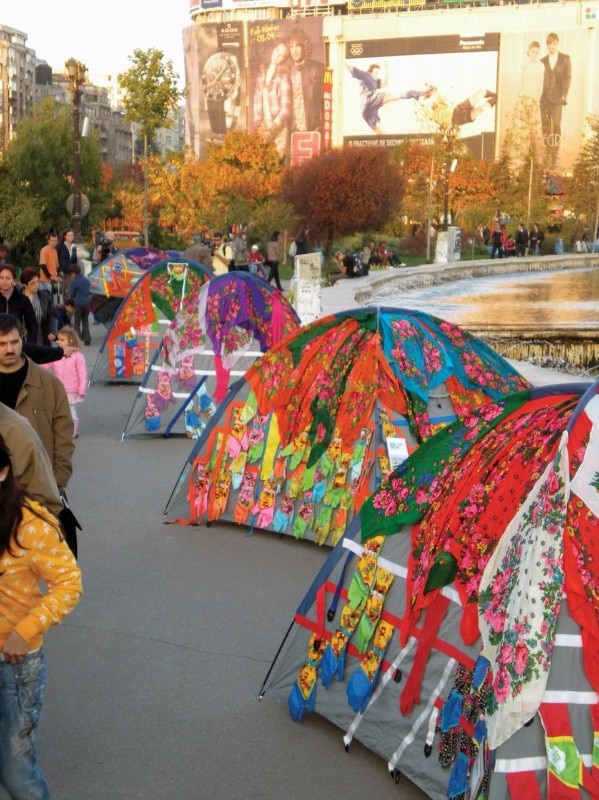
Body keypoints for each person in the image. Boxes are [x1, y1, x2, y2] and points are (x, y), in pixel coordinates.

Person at [0, 433, 82, 800]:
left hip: (13, 665)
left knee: (16, 771)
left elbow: (68, 584)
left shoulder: (32, 524)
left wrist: (26, 629)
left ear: (3, 472)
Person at [0, 314, 74, 490]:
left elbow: (63, 436)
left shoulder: (50, 385)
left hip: (37, 485)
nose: (9, 349)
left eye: (14, 342)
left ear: (22, 339)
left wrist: (59, 480)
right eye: (2, 344)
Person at [346, 62, 435, 134]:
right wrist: (341, 59)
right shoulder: (365, 75)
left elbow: (385, 84)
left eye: (378, 73)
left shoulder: (375, 82)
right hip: (369, 99)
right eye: (376, 73)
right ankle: (422, 93)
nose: (377, 75)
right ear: (370, 72)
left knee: (379, 132)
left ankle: (385, 150)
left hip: (366, 111)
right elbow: (351, 68)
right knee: (397, 95)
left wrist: (387, 69)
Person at [43, 326, 87, 439]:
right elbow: (47, 364)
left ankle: (73, 429)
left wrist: (82, 388)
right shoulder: (58, 355)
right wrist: (35, 365)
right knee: (59, 409)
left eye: (62, 340)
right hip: (58, 388)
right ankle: (61, 428)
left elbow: (82, 374)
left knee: (69, 409)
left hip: (71, 389)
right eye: (59, 340)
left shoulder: (78, 357)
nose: (59, 342)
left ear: (71, 341)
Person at [253, 41, 292, 159]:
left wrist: (273, 128)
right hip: (264, 126)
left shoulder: (284, 77)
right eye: (277, 51)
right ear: (272, 51)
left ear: (283, 60)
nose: (277, 55)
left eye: (282, 55)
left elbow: (286, 110)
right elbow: (256, 99)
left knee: (278, 168)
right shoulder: (261, 74)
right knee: (261, 166)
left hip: (278, 128)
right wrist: (257, 122)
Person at [540, 32, 572, 164]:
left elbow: (568, 77)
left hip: (557, 99)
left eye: (554, 43)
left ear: (557, 43)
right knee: (546, 126)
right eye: (549, 44)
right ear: (547, 45)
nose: (552, 46)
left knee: (557, 126)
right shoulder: (542, 61)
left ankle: (555, 154)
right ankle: (548, 153)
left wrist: (564, 94)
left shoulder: (565, 58)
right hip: (544, 100)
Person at [286, 28, 324, 134]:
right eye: (291, 47)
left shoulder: (317, 68)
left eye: (297, 45)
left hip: (313, 127)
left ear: (304, 46)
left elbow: (325, 98)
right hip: (293, 128)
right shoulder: (287, 72)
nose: (294, 50)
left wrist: (321, 124)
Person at [420, 87, 497, 131]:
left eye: (433, 102)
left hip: (459, 108)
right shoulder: (433, 115)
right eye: (431, 104)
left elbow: (436, 94)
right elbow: (426, 110)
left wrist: (432, 89)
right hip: (458, 119)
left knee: (482, 92)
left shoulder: (440, 103)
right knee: (481, 109)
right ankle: (494, 100)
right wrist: (420, 102)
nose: (433, 103)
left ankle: (495, 95)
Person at [0, 264, 38, 343]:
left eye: (8, 278)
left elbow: (32, 325)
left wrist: (29, 344)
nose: (4, 281)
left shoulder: (22, 299)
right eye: (1, 278)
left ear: (14, 280)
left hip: (15, 342)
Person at [19, 267, 54, 346]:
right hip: (21, 340)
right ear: (24, 284)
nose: (36, 285)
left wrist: (52, 332)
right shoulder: (17, 298)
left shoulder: (44, 297)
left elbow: (52, 316)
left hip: (40, 339)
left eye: (37, 282)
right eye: (32, 283)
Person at [69, 264, 91, 346]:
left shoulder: (74, 282)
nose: (71, 275)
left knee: (77, 322)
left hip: (78, 303)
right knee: (85, 320)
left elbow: (72, 294)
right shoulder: (86, 280)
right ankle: (87, 339)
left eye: (71, 273)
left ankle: (77, 340)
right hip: (87, 302)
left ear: (74, 272)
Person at [56, 228, 78, 304]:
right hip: (63, 272)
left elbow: (75, 260)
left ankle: (71, 311)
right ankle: (66, 311)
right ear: (65, 236)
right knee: (65, 293)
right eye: (68, 235)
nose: (70, 237)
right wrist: (59, 270)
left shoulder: (74, 247)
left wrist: (76, 272)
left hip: (72, 273)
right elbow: (56, 258)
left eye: (72, 235)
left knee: (71, 292)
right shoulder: (60, 246)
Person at [38, 229, 60, 296]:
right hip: (45, 280)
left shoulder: (55, 251)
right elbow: (42, 265)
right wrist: (50, 276)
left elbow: (56, 266)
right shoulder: (44, 250)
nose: (54, 242)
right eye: (52, 240)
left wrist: (58, 276)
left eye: (55, 240)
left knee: (51, 302)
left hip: (52, 281)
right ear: (48, 241)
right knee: (46, 301)